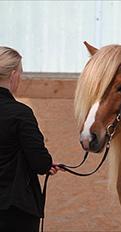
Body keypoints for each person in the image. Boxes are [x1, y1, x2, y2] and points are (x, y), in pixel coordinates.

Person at [0, 46, 61, 232]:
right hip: (14, 208)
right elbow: (39, 162)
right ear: (13, 75)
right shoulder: (21, 114)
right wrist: (47, 164)